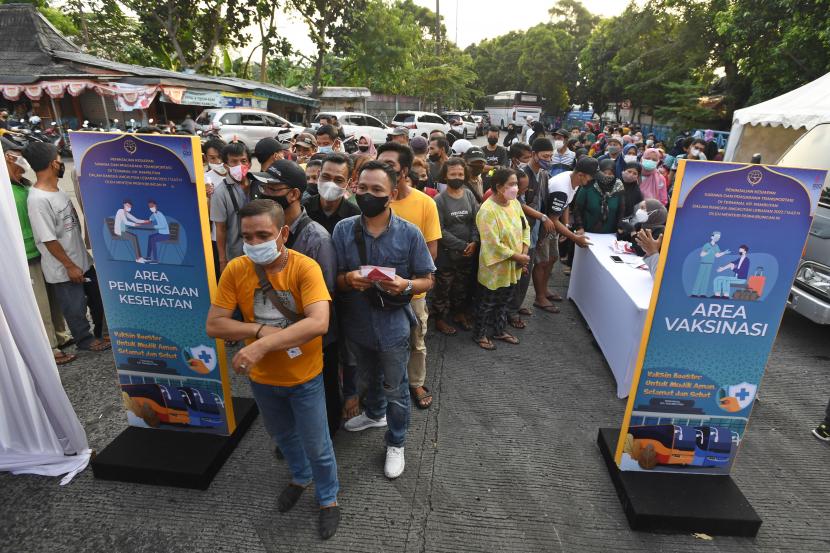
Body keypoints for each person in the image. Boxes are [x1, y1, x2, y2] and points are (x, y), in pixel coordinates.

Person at [206, 199, 340, 539]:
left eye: (262, 235)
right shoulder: (237, 269)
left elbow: (319, 322)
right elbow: (215, 325)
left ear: (283, 232)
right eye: (247, 236)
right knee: (282, 436)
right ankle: (300, 477)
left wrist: (262, 345)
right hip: (262, 379)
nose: (253, 243)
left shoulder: (304, 267)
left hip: (304, 377)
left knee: (318, 444)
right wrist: (260, 331)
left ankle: (328, 499)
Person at [334, 161, 435, 479]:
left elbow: (427, 279)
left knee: (397, 386)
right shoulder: (343, 229)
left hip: (393, 324)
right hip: (358, 322)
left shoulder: (409, 233)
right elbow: (332, 279)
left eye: (376, 190)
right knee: (366, 377)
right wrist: (350, 278)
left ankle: (396, 442)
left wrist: (405, 284)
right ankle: (375, 413)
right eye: (362, 188)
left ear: (391, 194)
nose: (367, 195)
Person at [249, 159, 342, 436]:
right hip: (275, 331)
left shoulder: (317, 239)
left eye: (273, 187)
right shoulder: (262, 235)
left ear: (294, 195)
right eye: (262, 185)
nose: (264, 192)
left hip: (314, 337)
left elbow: (325, 296)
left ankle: (326, 440)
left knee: (322, 394)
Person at [24, 142, 109, 352]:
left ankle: (101, 332)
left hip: (81, 259)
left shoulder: (57, 190)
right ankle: (84, 340)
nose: (62, 163)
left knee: (98, 299)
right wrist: (69, 266)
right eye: (60, 160)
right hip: (63, 268)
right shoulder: (37, 200)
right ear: (54, 164)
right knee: (75, 307)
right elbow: (48, 238)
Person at [379, 141, 441, 411]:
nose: (382, 169)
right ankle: (382, 384)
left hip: (412, 291)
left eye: (389, 165)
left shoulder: (425, 204)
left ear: (404, 170)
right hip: (375, 289)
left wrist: (406, 283)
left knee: (416, 339)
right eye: (379, 162)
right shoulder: (373, 200)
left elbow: (431, 254)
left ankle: (416, 382)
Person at [4, 136, 74, 365]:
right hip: (25, 255)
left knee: (52, 299)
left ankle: (61, 336)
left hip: (40, 252)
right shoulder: (5, 192)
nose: (21, 164)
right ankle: (50, 348)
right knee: (40, 304)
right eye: (16, 158)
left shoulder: (22, 185)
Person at [474, 168, 530, 351]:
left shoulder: (514, 203)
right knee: (488, 302)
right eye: (511, 184)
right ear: (498, 187)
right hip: (495, 268)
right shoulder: (487, 211)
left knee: (504, 301)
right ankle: (480, 334)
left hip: (514, 264)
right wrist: (519, 257)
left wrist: (524, 252)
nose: (515, 188)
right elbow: (493, 245)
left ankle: (499, 330)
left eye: (516, 184)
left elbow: (525, 227)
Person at [533, 155, 597, 313]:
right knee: (541, 262)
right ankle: (539, 297)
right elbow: (553, 219)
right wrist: (574, 237)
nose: (591, 181)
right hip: (543, 225)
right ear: (581, 175)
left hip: (554, 222)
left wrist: (567, 224)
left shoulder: (573, 180)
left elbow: (566, 205)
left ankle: (545, 289)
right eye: (590, 177)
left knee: (553, 258)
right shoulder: (562, 187)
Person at [432, 158, 479, 335]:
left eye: (460, 174)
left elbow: (476, 219)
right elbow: (440, 230)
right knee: (444, 287)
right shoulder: (439, 200)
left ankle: (458, 313)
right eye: (453, 174)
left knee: (462, 285)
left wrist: (474, 241)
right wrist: (462, 245)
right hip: (447, 254)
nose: (457, 177)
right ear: (445, 175)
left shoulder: (468, 194)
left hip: (468, 252)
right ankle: (440, 319)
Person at [211, 142, 250, 273]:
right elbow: (220, 229)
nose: (240, 165)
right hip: (235, 254)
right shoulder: (220, 193)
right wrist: (222, 261)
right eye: (234, 162)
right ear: (226, 166)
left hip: (261, 252)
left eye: (243, 161)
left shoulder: (258, 184)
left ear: (249, 163)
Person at [304, 154, 360, 235]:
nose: (330, 184)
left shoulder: (355, 216)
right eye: (326, 177)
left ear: (349, 183)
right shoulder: (303, 209)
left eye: (338, 180)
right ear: (319, 175)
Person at [572, 166, 625, 234]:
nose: (606, 176)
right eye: (604, 173)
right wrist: (580, 228)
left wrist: (620, 227)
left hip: (610, 235)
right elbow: (577, 209)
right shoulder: (588, 186)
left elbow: (621, 211)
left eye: (610, 173)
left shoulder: (619, 188)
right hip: (587, 232)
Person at [203, 138, 227, 279]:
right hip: (215, 235)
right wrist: (206, 197)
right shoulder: (205, 179)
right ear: (206, 157)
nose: (218, 162)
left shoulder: (235, 175)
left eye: (220, 157)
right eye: (212, 158)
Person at [691, 231, 730, 297]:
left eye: (719, 237)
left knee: (706, 279)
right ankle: (694, 293)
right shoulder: (707, 245)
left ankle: (702, 293)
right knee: (699, 278)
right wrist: (708, 252)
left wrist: (724, 253)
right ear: (712, 237)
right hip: (703, 263)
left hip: (710, 264)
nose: (717, 238)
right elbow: (701, 254)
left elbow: (717, 255)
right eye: (716, 237)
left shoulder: (716, 246)